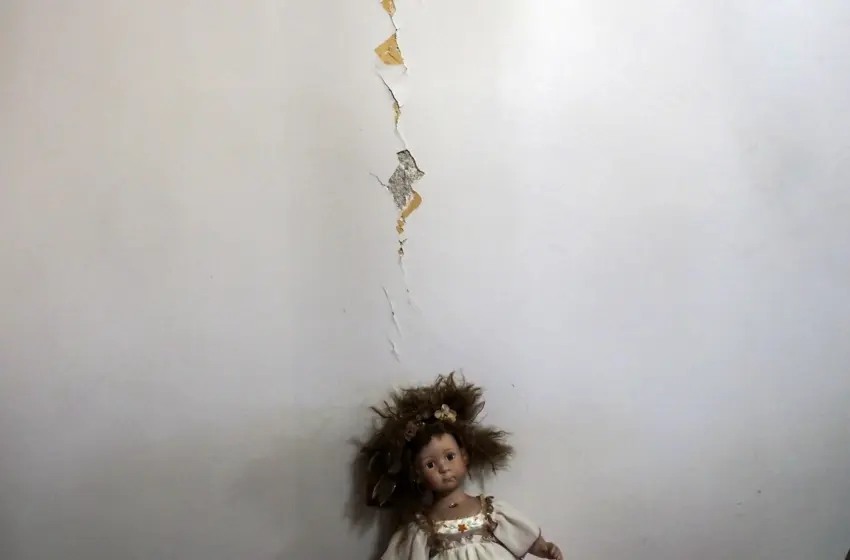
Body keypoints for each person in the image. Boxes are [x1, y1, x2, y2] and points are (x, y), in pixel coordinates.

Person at [360, 373, 563, 559]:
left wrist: (544, 548)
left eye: (449, 456)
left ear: (464, 457)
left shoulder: (490, 511)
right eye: (430, 464)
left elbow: (523, 535)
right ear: (417, 473)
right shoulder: (423, 528)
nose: (443, 468)